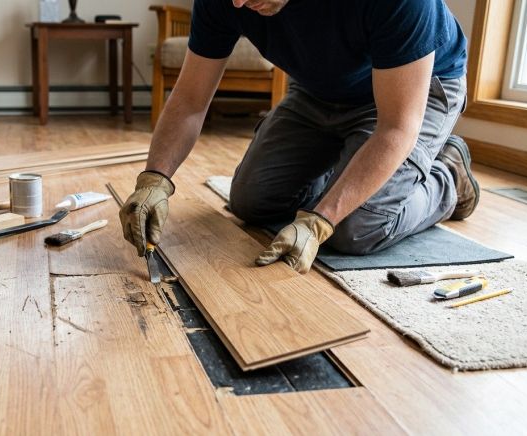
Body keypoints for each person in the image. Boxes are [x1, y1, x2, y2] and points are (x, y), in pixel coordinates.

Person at [119, 0, 480, 274]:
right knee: (252, 203)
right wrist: (155, 179)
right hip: (318, 90)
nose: (239, 3)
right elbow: (189, 101)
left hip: (415, 92)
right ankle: (353, 161)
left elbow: (397, 127)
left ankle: (449, 176)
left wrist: (319, 220)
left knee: (354, 229)